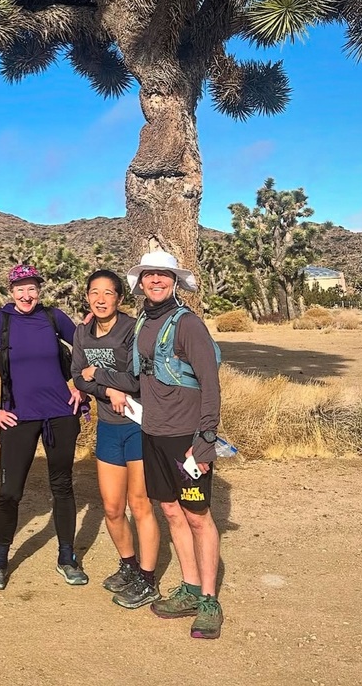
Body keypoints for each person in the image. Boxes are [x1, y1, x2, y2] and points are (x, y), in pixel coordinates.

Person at [127, 249, 224, 640]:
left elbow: (211, 385)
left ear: (175, 281)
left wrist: (205, 441)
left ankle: (208, 600)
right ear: (141, 282)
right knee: (170, 510)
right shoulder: (143, 324)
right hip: (153, 433)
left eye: (163, 275)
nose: (156, 280)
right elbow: (139, 377)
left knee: (198, 515)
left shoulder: (188, 325)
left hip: (187, 439)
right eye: (150, 274)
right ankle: (187, 586)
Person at [0, 264, 86, 590]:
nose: (26, 295)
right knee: (9, 492)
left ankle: (66, 558)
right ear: (11, 291)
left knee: (62, 487)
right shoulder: (1, 321)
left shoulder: (54, 317)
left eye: (32, 288)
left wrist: (81, 385)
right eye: (20, 289)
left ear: (40, 289)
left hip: (60, 415)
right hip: (17, 418)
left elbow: (86, 347)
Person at [71, 269, 160, 609]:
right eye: (95, 292)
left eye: (108, 293)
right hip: (108, 426)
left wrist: (102, 375)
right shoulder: (83, 333)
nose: (101, 299)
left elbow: (137, 379)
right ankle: (129, 564)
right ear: (87, 297)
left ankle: (148, 580)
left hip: (138, 424)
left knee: (140, 504)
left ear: (119, 298)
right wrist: (106, 387)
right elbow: (79, 377)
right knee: (111, 507)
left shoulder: (131, 329)